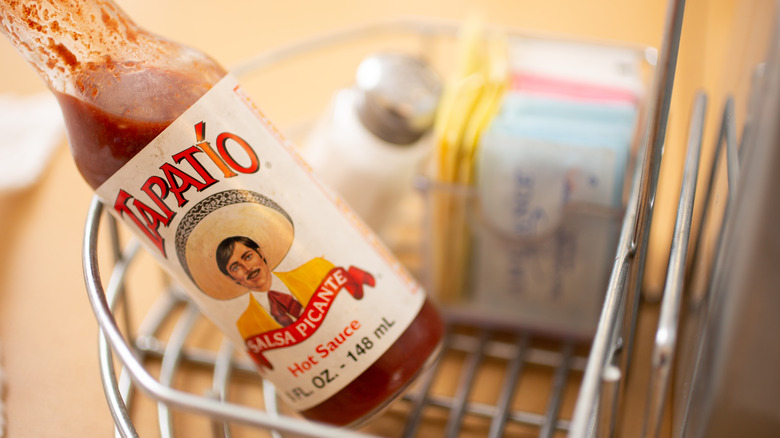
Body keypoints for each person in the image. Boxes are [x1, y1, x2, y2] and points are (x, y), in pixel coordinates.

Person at [216, 235, 303, 327]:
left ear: (260, 253)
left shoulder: (311, 270)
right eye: (236, 268)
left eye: (248, 257)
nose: (248, 268)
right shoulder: (246, 325)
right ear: (231, 278)